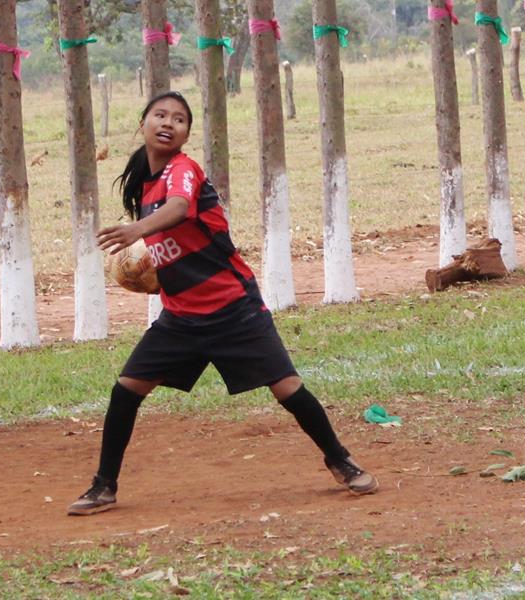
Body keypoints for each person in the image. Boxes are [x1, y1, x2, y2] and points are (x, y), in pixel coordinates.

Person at [68, 91, 378, 516]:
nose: (168, 123)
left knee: (287, 388)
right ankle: (104, 486)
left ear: (186, 134)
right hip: (181, 317)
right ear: (142, 123)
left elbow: (178, 211)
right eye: (159, 115)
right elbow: (176, 242)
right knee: (126, 391)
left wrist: (136, 230)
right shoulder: (144, 182)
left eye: (178, 119)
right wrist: (155, 273)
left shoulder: (183, 170)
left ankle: (340, 459)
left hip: (234, 309)